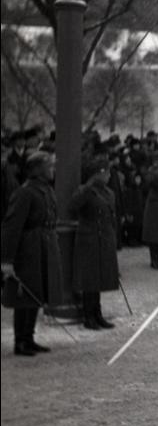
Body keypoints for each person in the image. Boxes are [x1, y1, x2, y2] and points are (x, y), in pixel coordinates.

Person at [1, 152, 63, 355]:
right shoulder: (25, 192)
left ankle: (30, 337)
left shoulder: (44, 189)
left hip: (42, 246)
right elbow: (12, 228)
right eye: (49, 166)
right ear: (37, 169)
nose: (53, 169)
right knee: (24, 294)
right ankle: (21, 340)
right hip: (28, 249)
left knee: (37, 292)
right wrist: (7, 260)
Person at [69, 158, 121, 330]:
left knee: (99, 278)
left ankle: (97, 314)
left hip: (104, 237)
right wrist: (88, 186)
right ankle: (88, 315)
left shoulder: (108, 192)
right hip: (89, 238)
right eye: (106, 172)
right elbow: (73, 206)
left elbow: (112, 216)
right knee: (89, 279)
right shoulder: (85, 191)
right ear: (98, 173)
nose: (108, 175)